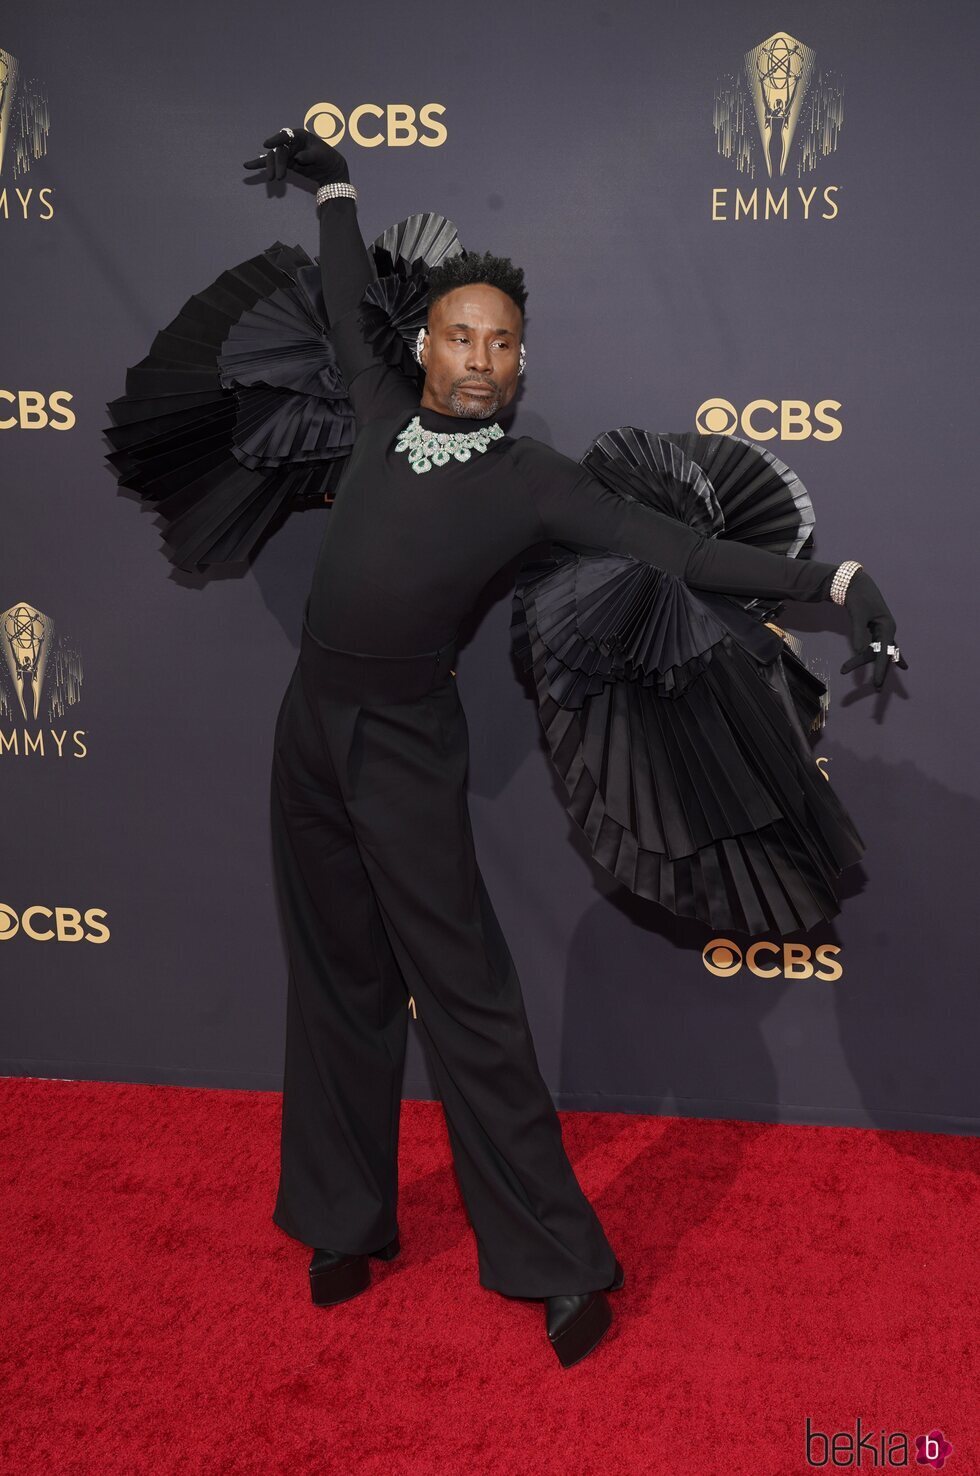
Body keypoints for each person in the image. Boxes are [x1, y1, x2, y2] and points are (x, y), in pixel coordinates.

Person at [243, 126, 906, 1368]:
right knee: (332, 974)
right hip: (306, 729)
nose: (480, 358)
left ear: (517, 361)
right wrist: (335, 183)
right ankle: (344, 1217)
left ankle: (553, 1258)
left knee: (466, 998)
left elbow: (686, 553)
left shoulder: (532, 479)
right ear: (425, 346)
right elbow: (342, 295)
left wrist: (837, 574)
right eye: (460, 335)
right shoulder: (378, 409)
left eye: (501, 343)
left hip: (401, 738)